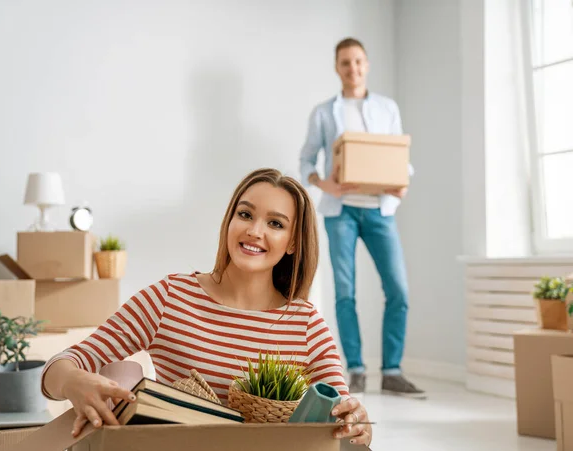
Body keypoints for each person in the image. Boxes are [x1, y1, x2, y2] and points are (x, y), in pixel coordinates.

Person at [41, 168, 373, 447]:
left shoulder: (305, 325)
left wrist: (359, 425)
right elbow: (60, 366)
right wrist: (72, 382)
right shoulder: (171, 297)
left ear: (293, 243)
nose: (254, 231)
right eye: (245, 215)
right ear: (229, 222)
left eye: (275, 223)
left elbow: (344, 420)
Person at [299, 37, 425, 399]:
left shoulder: (387, 109)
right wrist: (325, 184)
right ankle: (354, 369)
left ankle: (392, 371)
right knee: (345, 292)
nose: (352, 69)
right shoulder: (324, 113)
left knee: (398, 289)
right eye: (344, 63)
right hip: (341, 213)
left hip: (380, 210)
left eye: (357, 62)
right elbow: (306, 160)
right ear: (337, 68)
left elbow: (398, 154)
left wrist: (403, 182)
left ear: (366, 64)